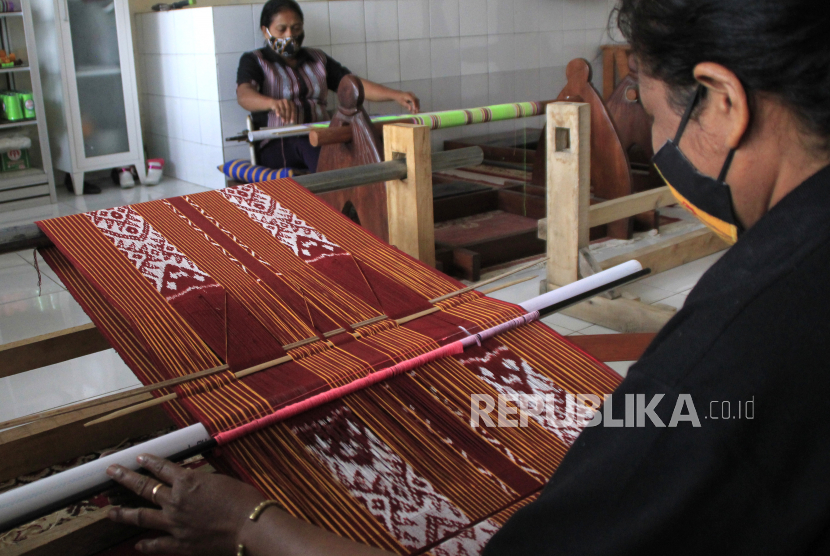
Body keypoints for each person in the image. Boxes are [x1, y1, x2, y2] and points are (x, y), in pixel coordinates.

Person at [106, 0, 830, 553]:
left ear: (725, 102)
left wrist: (249, 521)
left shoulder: (721, 363)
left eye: (641, 101)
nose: (650, 134)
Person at [236, 0, 420, 174]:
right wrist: (271, 103)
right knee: (310, 144)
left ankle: (383, 187)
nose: (289, 35)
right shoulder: (255, 61)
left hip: (323, 137)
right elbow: (244, 94)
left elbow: (352, 86)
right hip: (279, 144)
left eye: (296, 28)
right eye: (281, 29)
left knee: (372, 131)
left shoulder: (317, 59)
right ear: (265, 31)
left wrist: (395, 95)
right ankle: (334, 199)